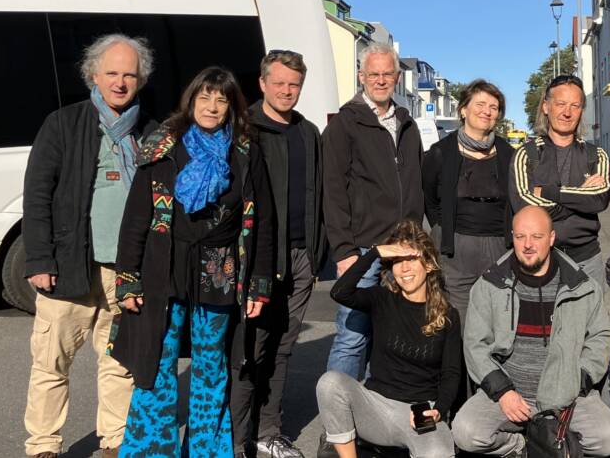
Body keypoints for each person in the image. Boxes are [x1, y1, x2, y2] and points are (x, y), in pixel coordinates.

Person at [109, 67, 274, 457]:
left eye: (221, 99)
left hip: (220, 270)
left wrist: (259, 284)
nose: (212, 107)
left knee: (210, 366)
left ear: (232, 106)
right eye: (205, 97)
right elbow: (136, 216)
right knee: (158, 361)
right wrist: (128, 278)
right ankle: (151, 450)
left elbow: (265, 220)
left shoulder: (245, 151)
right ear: (191, 100)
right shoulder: (163, 145)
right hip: (165, 268)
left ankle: (206, 450)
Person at [21, 34, 158, 458]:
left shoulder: (150, 131)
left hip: (127, 270)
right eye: (112, 73)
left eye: (129, 74)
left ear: (140, 80)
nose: (120, 82)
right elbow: (37, 195)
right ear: (93, 75)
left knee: (119, 362)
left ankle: (116, 440)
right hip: (70, 265)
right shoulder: (63, 124)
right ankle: (44, 445)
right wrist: (39, 259)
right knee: (51, 363)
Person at [453, 206, 610, 458]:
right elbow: (475, 344)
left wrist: (578, 380)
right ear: (512, 237)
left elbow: (602, 337)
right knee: (466, 432)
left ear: (551, 238)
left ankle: (557, 443)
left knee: (609, 439)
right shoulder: (490, 284)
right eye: (520, 237)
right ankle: (523, 447)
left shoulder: (580, 286)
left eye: (537, 236)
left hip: (566, 394)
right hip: (511, 395)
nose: (528, 245)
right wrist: (503, 392)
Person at [231, 50, 327, 458]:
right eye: (280, 83)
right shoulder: (244, 129)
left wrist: (319, 250)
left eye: (295, 84)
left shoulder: (308, 132)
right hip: (258, 258)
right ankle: (236, 438)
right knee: (250, 349)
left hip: (301, 256)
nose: (287, 91)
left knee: (283, 349)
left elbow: (319, 194)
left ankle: (269, 430)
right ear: (262, 83)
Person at [315, 221, 462, 458]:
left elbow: (451, 373)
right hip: (375, 407)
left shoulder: (448, 315)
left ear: (428, 264)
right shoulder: (382, 298)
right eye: (397, 261)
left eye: (411, 259)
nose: (404, 268)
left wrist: (439, 410)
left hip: (419, 412)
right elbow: (339, 292)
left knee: (439, 453)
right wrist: (375, 253)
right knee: (330, 383)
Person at [323, 41, 426, 379]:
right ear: (361, 76)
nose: (381, 80)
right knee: (352, 337)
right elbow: (333, 191)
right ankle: (339, 412)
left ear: (396, 77)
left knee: (387, 338)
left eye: (387, 74)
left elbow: (415, 183)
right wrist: (344, 250)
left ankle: (373, 408)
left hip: (402, 249)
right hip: (363, 250)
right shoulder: (345, 123)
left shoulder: (407, 124)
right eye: (373, 74)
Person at [509, 74, 610, 288]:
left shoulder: (596, 155)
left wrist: (548, 192)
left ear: (581, 110)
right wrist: (580, 196)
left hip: (587, 261)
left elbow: (598, 199)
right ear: (546, 107)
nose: (567, 112)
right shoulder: (526, 155)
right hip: (539, 262)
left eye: (575, 106)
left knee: (591, 312)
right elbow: (524, 206)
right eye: (561, 104)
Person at [422, 79, 514, 321]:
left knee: (498, 316)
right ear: (463, 109)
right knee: (459, 319)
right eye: (480, 104)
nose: (487, 111)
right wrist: (442, 228)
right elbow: (429, 198)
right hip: (455, 249)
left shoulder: (508, 154)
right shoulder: (440, 152)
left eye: (494, 107)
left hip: (499, 247)